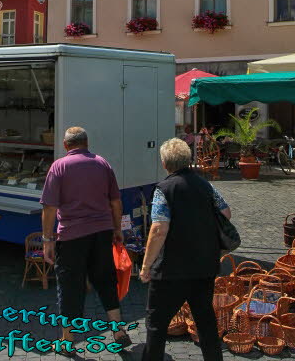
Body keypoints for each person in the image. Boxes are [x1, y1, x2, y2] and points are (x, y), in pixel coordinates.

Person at [40, 126, 132, 352]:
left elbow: (50, 208)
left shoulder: (58, 166)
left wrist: (47, 240)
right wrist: (117, 228)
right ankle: (118, 330)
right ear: (87, 143)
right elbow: (116, 202)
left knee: (70, 286)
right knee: (105, 280)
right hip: (101, 232)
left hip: (71, 236)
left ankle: (67, 340)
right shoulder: (102, 163)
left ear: (65, 145)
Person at [139, 137, 230, 361]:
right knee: (206, 321)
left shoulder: (164, 189)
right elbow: (226, 213)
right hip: (204, 265)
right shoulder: (205, 185)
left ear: (165, 163)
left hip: (171, 270)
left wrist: (145, 266)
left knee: (156, 325)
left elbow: (159, 229)